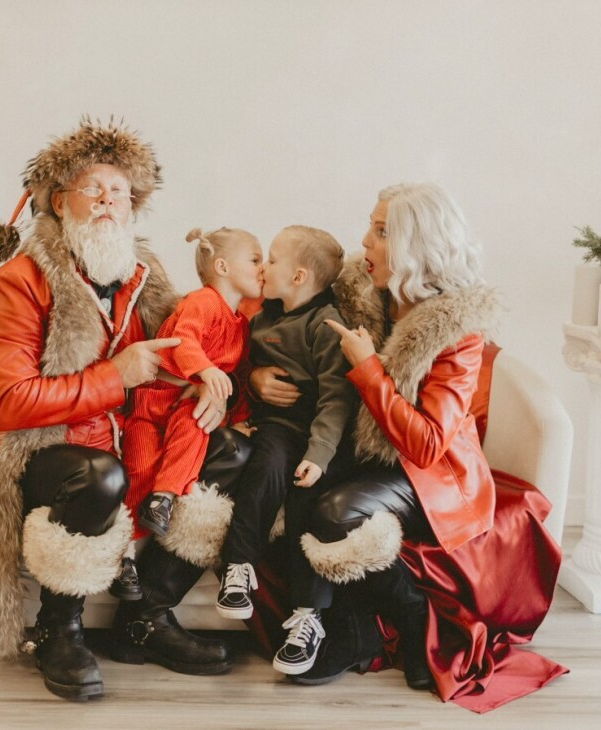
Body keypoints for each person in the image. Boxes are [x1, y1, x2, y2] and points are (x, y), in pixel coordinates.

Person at [0, 120, 248, 702]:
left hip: (132, 438)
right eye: (94, 189)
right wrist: (116, 376)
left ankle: (146, 616)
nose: (110, 201)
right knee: (99, 473)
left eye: (122, 192)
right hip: (39, 448)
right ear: (59, 202)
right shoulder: (17, 284)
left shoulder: (146, 280)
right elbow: (9, 405)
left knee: (229, 449)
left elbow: (188, 344)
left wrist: (208, 381)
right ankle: (60, 627)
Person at [249, 183, 565, 709]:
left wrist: (368, 368)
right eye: (370, 227)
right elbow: (280, 323)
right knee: (298, 478)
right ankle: (349, 631)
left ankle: (412, 615)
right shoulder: (358, 292)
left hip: (432, 475)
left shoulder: (455, 329)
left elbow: (426, 444)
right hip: (360, 453)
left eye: (379, 231)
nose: (364, 243)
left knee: (334, 511)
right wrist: (258, 376)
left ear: (414, 244)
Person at [211, 225, 355, 676]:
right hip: (276, 427)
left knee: (305, 500)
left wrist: (318, 455)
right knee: (266, 468)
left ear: (297, 276)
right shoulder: (261, 316)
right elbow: (233, 364)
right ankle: (237, 566)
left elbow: (337, 399)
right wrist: (251, 380)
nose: (262, 267)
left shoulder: (326, 324)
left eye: (270, 259)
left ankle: (308, 617)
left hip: (319, 437)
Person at [125, 227, 263, 542]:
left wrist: (239, 419)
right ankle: (126, 548)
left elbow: (238, 375)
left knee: (194, 429)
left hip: (186, 405)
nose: (263, 268)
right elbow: (184, 338)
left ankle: (164, 497)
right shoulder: (201, 302)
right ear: (223, 267)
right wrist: (204, 370)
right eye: (255, 260)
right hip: (154, 401)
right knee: (141, 465)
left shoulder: (240, 324)